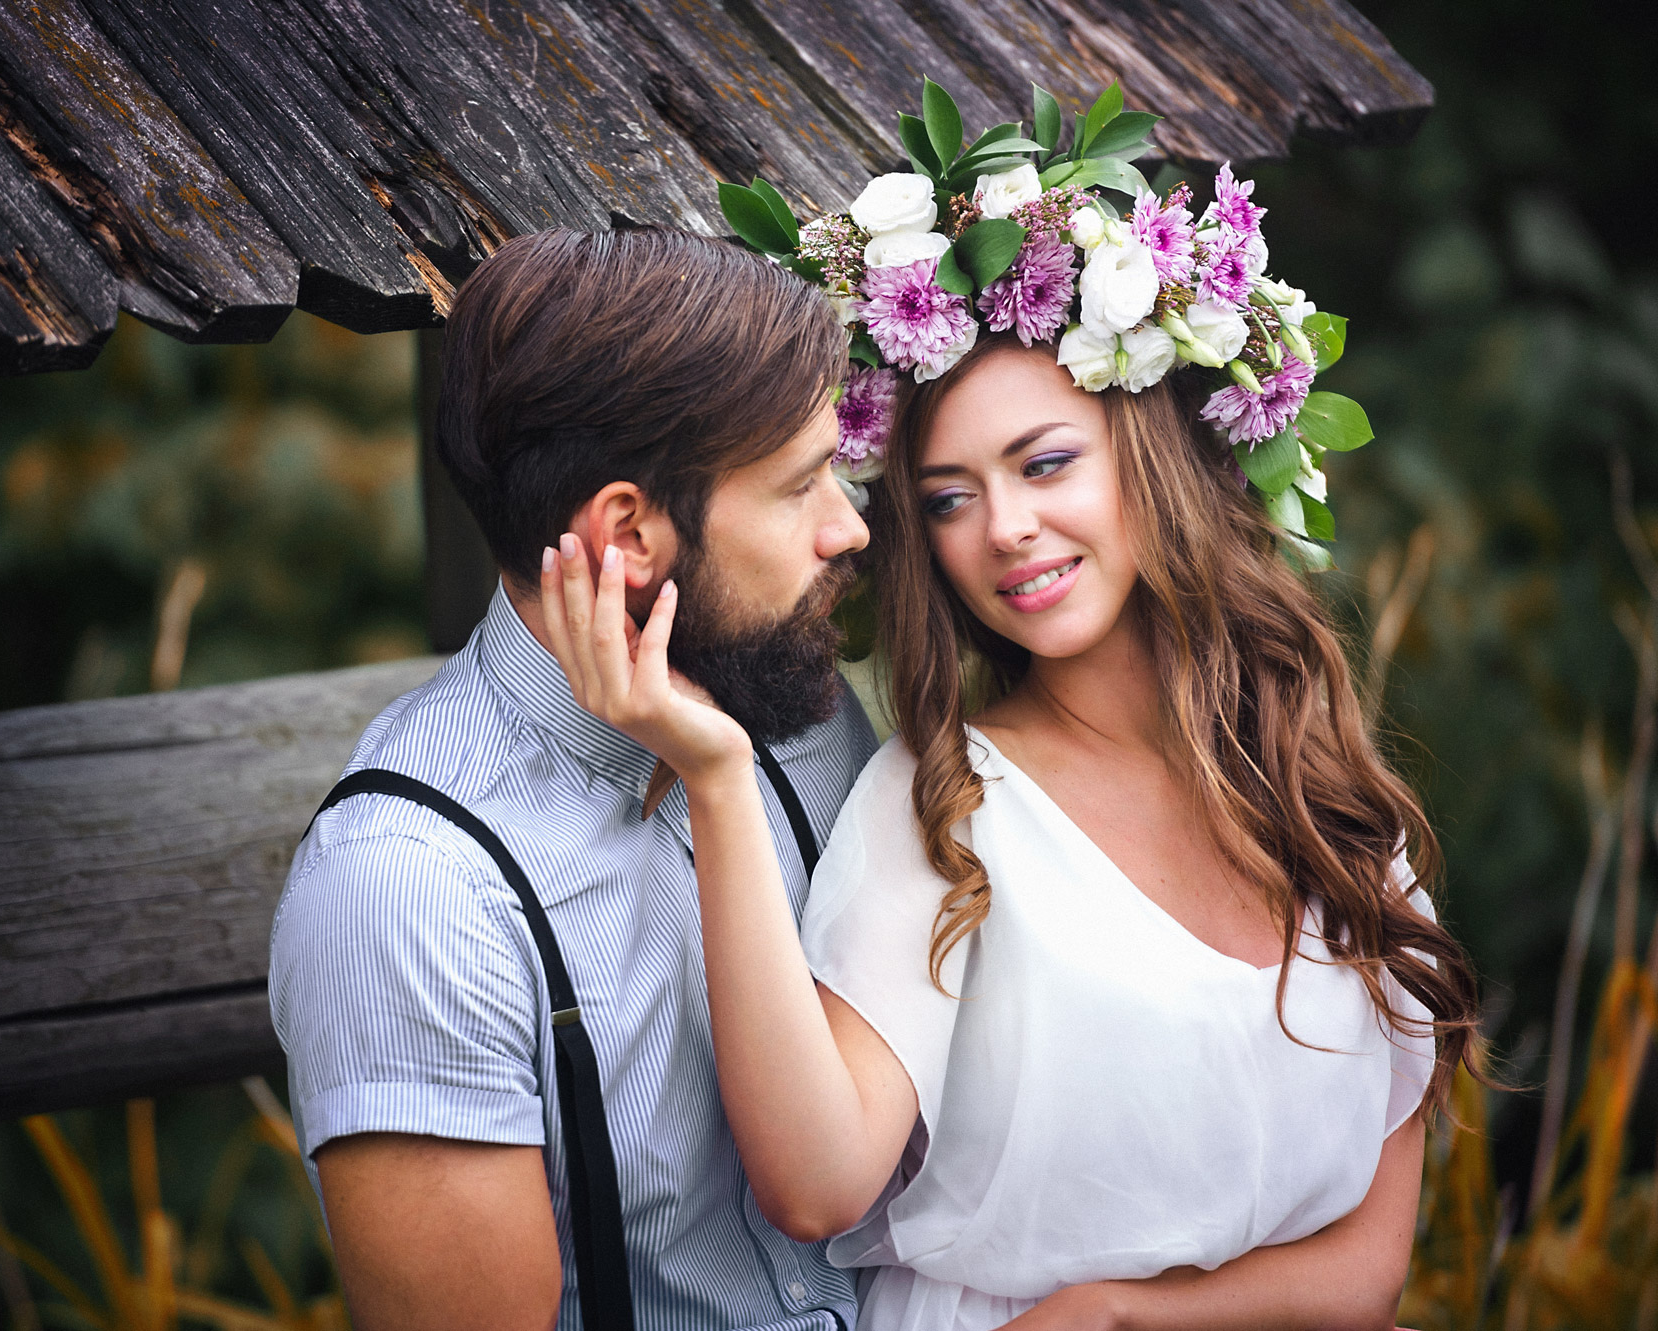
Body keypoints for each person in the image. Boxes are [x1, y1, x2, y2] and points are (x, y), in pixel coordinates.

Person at [543, 124, 1485, 1328]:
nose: (1002, 529)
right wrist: (717, 774)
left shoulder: (1325, 804)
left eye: (1043, 464)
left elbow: (1367, 1268)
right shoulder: (943, 807)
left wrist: (1120, 1312)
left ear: (1156, 457)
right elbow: (813, 1182)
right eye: (948, 497)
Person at [268, 225, 878, 1331]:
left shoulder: (805, 716)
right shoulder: (409, 893)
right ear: (628, 533)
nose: (849, 524)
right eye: (800, 486)